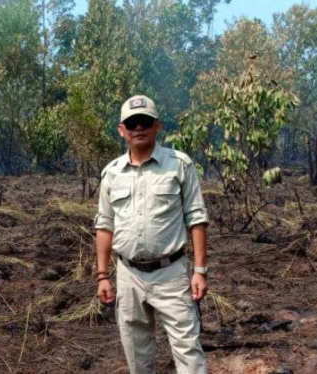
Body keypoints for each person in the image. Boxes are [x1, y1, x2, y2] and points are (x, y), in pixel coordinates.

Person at [94, 95, 209, 374]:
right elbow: (104, 225)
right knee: (136, 352)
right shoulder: (111, 174)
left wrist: (200, 270)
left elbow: (197, 217)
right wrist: (102, 276)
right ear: (122, 130)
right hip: (128, 275)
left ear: (158, 126)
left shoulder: (179, 165)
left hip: (171, 274)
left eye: (144, 122)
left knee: (188, 350)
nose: (138, 128)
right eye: (132, 123)